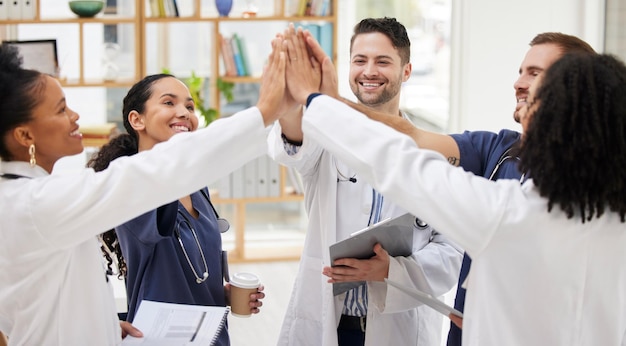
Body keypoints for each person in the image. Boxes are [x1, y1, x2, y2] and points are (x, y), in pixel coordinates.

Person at [284, 31, 626, 345]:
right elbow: (410, 138)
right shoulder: (504, 155)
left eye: (537, 79)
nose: (521, 86)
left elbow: (398, 163)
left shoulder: (509, 211)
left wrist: (318, 102)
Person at [0, 40, 285, 345]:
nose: (75, 116)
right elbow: (157, 170)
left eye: (189, 105)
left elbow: (53, 294)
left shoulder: (25, 199)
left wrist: (107, 325)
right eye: (61, 109)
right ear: (25, 135)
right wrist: (265, 111)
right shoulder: (36, 204)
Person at [268, 19, 462, 346]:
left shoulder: (433, 152)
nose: (369, 71)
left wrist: (392, 270)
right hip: (328, 322)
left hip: (397, 327)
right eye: (360, 60)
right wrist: (289, 101)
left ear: (407, 70)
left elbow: (453, 251)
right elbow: (294, 147)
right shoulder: (327, 132)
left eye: (382, 61)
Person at [87, 74, 266, 345]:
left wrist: (223, 294)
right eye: (169, 103)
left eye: (190, 107)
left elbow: (194, 271)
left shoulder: (196, 187)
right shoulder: (133, 187)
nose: (183, 113)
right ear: (137, 120)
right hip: (157, 338)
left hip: (211, 336)